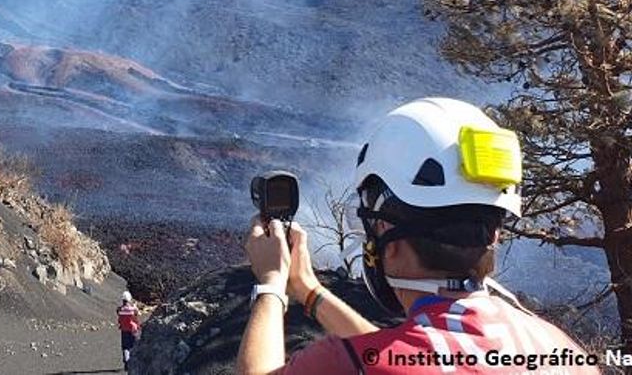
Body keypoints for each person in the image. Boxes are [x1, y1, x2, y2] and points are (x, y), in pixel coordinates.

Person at [236, 97, 600, 374]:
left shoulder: (344, 363)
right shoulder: (561, 349)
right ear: (494, 234)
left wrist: (271, 285)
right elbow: (402, 354)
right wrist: (308, 291)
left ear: (388, 240)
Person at [117, 290, 141, 370]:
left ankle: (126, 361)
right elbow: (137, 314)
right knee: (133, 346)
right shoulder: (133, 309)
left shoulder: (120, 309)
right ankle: (133, 362)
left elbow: (118, 314)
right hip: (133, 330)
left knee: (125, 347)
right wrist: (134, 306)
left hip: (124, 330)